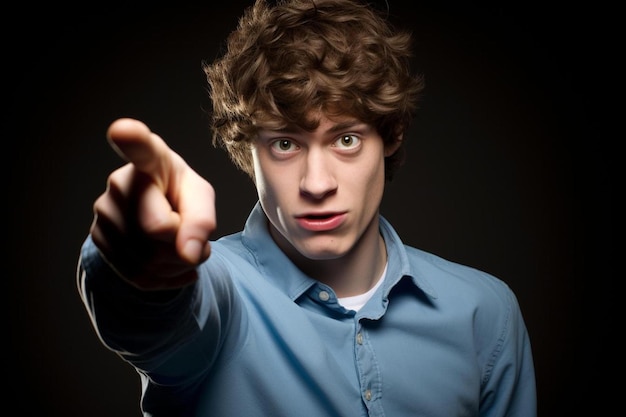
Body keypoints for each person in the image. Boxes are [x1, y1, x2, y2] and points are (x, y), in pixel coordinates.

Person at [77, 0, 537, 415]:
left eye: (347, 139)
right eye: (284, 143)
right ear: (246, 150)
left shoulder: (485, 313)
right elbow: (155, 318)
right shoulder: (221, 293)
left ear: (390, 136)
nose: (317, 184)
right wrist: (135, 265)